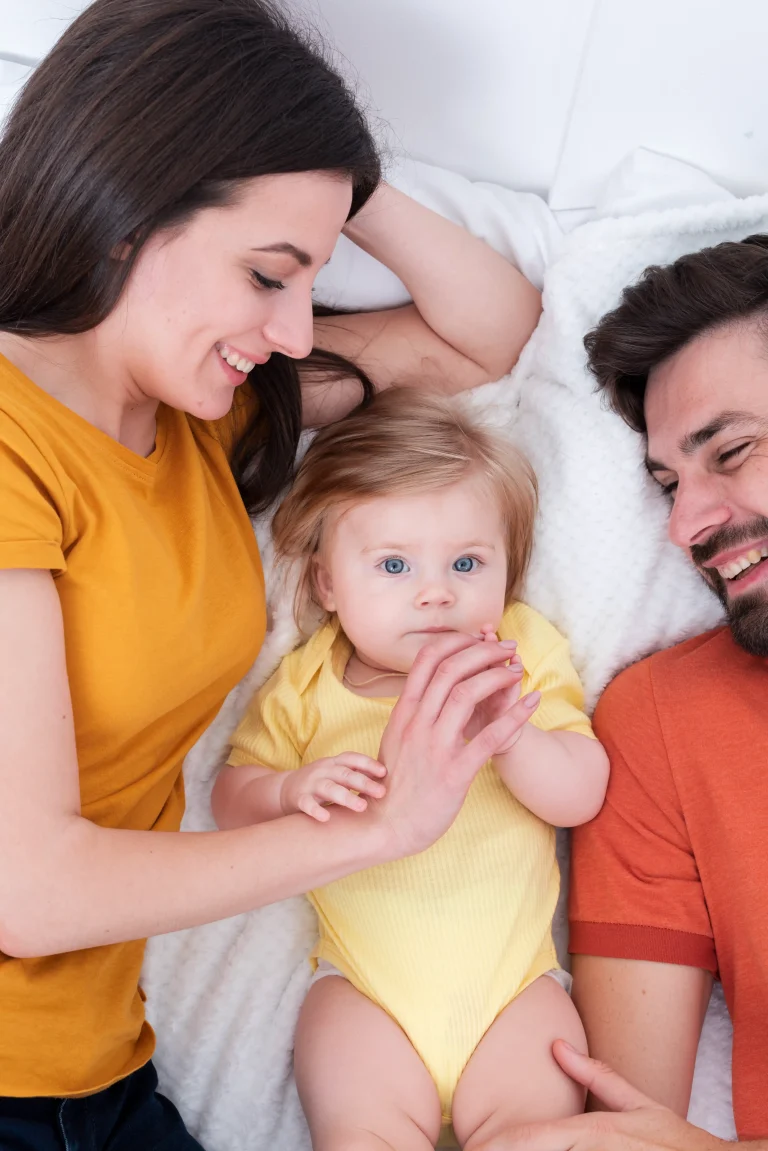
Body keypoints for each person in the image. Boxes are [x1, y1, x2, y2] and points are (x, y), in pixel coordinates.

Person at [0, 0, 543, 1147]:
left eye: (313, 278)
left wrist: (334, 164)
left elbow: (487, 334)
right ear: (125, 210)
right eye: (268, 274)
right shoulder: (11, 442)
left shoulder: (199, 416)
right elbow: (30, 889)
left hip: (92, 1076)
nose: (298, 328)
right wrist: (384, 824)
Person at [214, 390, 609, 1151]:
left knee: (537, 1137)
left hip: (514, 994)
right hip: (366, 994)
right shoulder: (306, 683)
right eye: (393, 564)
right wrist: (290, 789)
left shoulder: (516, 654)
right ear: (328, 585)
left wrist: (511, 736)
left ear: (508, 570)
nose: (436, 591)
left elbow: (582, 792)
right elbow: (231, 801)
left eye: (467, 562)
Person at [491, 234, 768, 1151]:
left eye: (728, 451)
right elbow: (636, 1131)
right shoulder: (662, 726)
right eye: (667, 483)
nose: (685, 522)